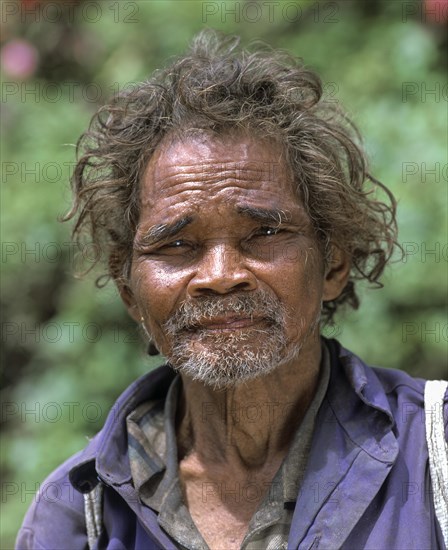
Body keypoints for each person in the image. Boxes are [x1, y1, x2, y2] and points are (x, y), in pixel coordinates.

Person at [16, 29, 447, 550]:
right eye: (177, 244)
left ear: (334, 262)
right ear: (130, 291)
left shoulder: (434, 456)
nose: (220, 275)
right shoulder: (78, 511)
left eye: (264, 233)